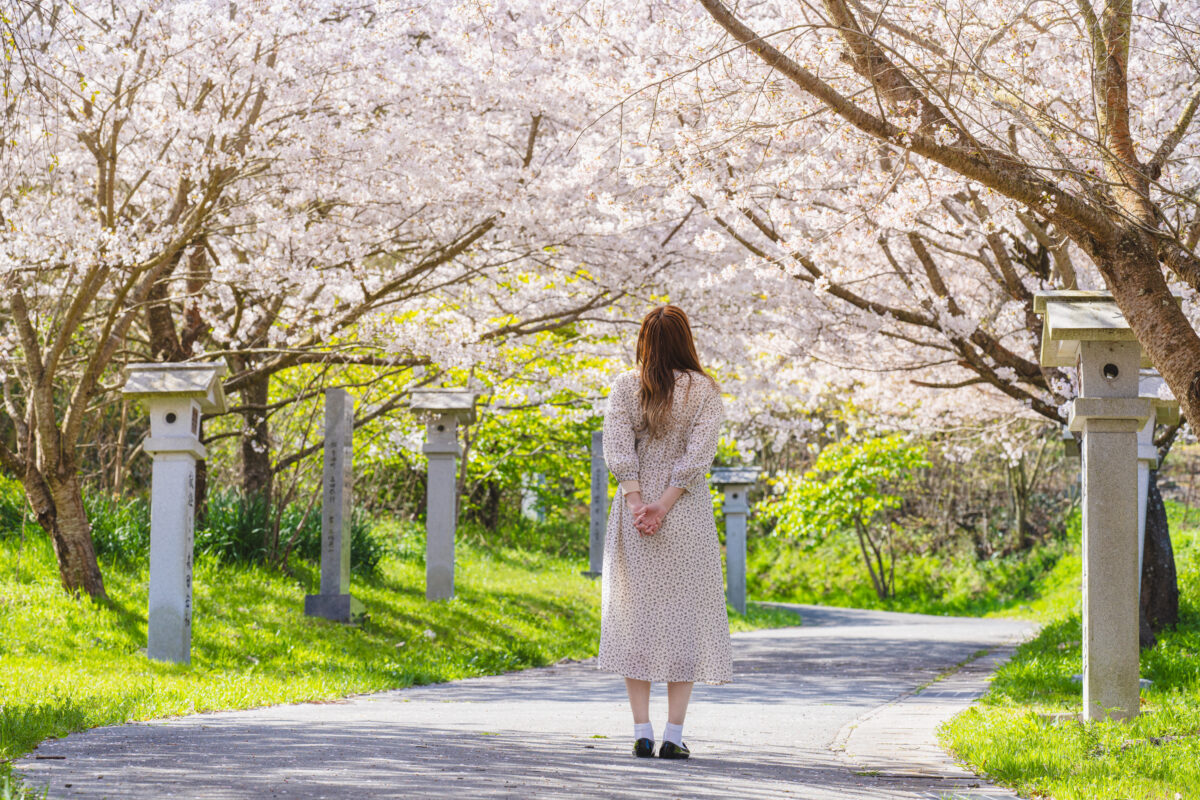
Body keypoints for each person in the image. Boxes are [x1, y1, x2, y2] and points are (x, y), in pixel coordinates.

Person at [598, 304, 733, 760]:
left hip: (633, 515)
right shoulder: (704, 391)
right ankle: (673, 736)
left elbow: (616, 448)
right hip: (685, 514)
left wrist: (638, 504)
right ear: (685, 341)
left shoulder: (625, 385)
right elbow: (699, 455)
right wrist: (665, 503)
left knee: (636, 618)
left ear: (644, 341)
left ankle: (641, 729)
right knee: (684, 622)